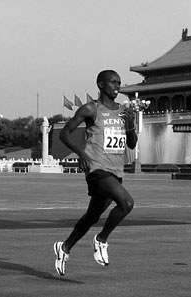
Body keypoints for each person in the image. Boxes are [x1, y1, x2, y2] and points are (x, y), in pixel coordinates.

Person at [53, 70, 137, 276]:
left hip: (116, 170)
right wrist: (81, 152)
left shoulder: (123, 111)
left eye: (119, 83)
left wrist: (131, 126)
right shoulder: (92, 109)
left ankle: (64, 248)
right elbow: (65, 133)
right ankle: (101, 240)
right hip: (97, 168)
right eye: (113, 82)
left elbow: (132, 144)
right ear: (101, 84)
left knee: (92, 216)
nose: (117, 86)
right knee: (126, 203)